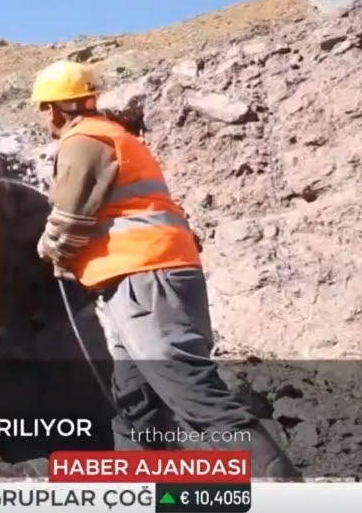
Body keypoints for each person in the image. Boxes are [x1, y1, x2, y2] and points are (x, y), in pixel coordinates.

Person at [30, 59, 302, 481]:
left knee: (190, 390)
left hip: (145, 278)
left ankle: (281, 492)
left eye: (44, 109)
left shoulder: (84, 140)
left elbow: (70, 218)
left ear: (53, 108)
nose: (45, 117)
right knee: (136, 400)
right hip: (141, 279)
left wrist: (49, 249)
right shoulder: (114, 136)